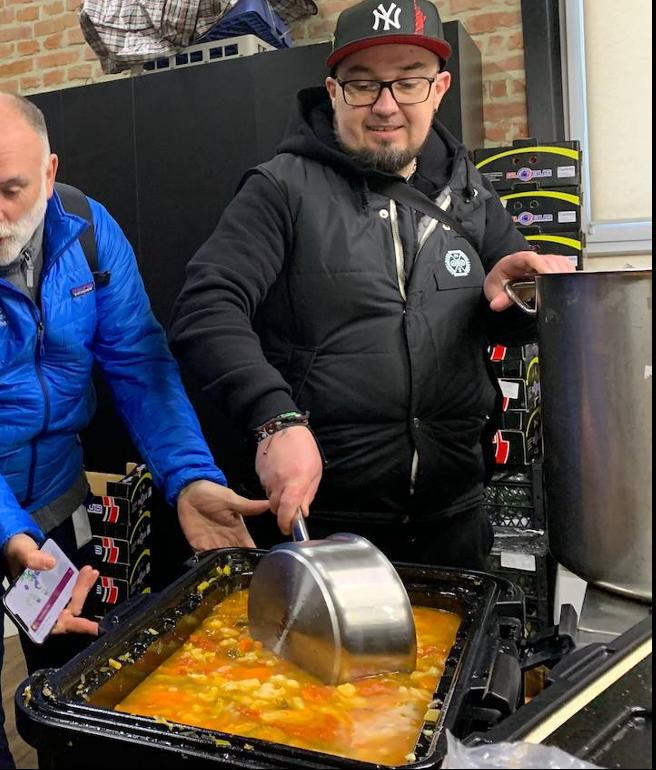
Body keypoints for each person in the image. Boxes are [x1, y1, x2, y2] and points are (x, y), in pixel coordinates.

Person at [0, 91, 267, 768]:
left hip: (53, 495)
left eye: (12, 191)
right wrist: (6, 534)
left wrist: (189, 474)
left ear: (49, 173)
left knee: (75, 669)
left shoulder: (88, 230)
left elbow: (139, 362)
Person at [169, 0, 575, 570]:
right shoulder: (280, 189)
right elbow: (207, 308)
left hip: (455, 520)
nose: (386, 106)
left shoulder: (471, 195)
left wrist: (521, 300)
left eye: (408, 82)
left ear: (439, 89)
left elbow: (506, 311)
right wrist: (275, 419)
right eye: (363, 85)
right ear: (333, 93)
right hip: (323, 526)